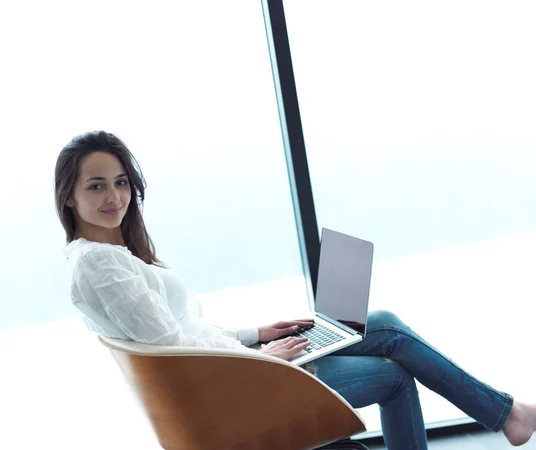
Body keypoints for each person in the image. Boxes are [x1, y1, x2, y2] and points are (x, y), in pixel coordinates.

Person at [54, 130, 535, 449]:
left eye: (120, 182)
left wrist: (257, 333)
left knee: (380, 321)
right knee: (392, 370)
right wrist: (267, 359)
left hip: (228, 376)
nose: (113, 197)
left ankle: (506, 413)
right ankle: (507, 413)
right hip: (235, 394)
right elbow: (171, 347)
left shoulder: (107, 258)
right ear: (69, 196)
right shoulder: (101, 263)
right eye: (96, 186)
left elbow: (181, 330)